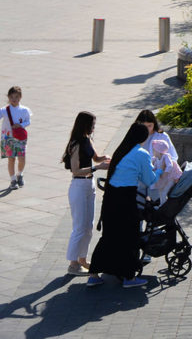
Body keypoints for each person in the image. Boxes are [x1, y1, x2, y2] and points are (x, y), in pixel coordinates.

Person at [86, 123, 158, 288]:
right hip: (126, 199)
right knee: (130, 237)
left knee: (109, 235)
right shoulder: (141, 153)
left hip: (111, 197)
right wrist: (158, 170)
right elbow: (150, 180)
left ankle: (94, 274)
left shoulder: (121, 150)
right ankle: (129, 277)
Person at [63, 111, 110, 275]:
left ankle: (82, 259)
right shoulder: (75, 144)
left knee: (88, 227)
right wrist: (97, 168)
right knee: (79, 227)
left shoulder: (87, 139)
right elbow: (75, 170)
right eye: (92, 125)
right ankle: (73, 264)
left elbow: (96, 158)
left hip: (88, 185)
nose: (93, 128)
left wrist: (108, 158)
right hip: (78, 186)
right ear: (85, 125)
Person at [4, 86, 31, 188]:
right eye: (11, 97)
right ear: (8, 97)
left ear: (20, 97)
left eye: (16, 97)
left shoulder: (24, 110)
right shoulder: (5, 110)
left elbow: (28, 121)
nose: (14, 99)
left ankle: (19, 174)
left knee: (22, 159)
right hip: (8, 137)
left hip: (20, 137)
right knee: (11, 159)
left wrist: (21, 125)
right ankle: (12, 180)